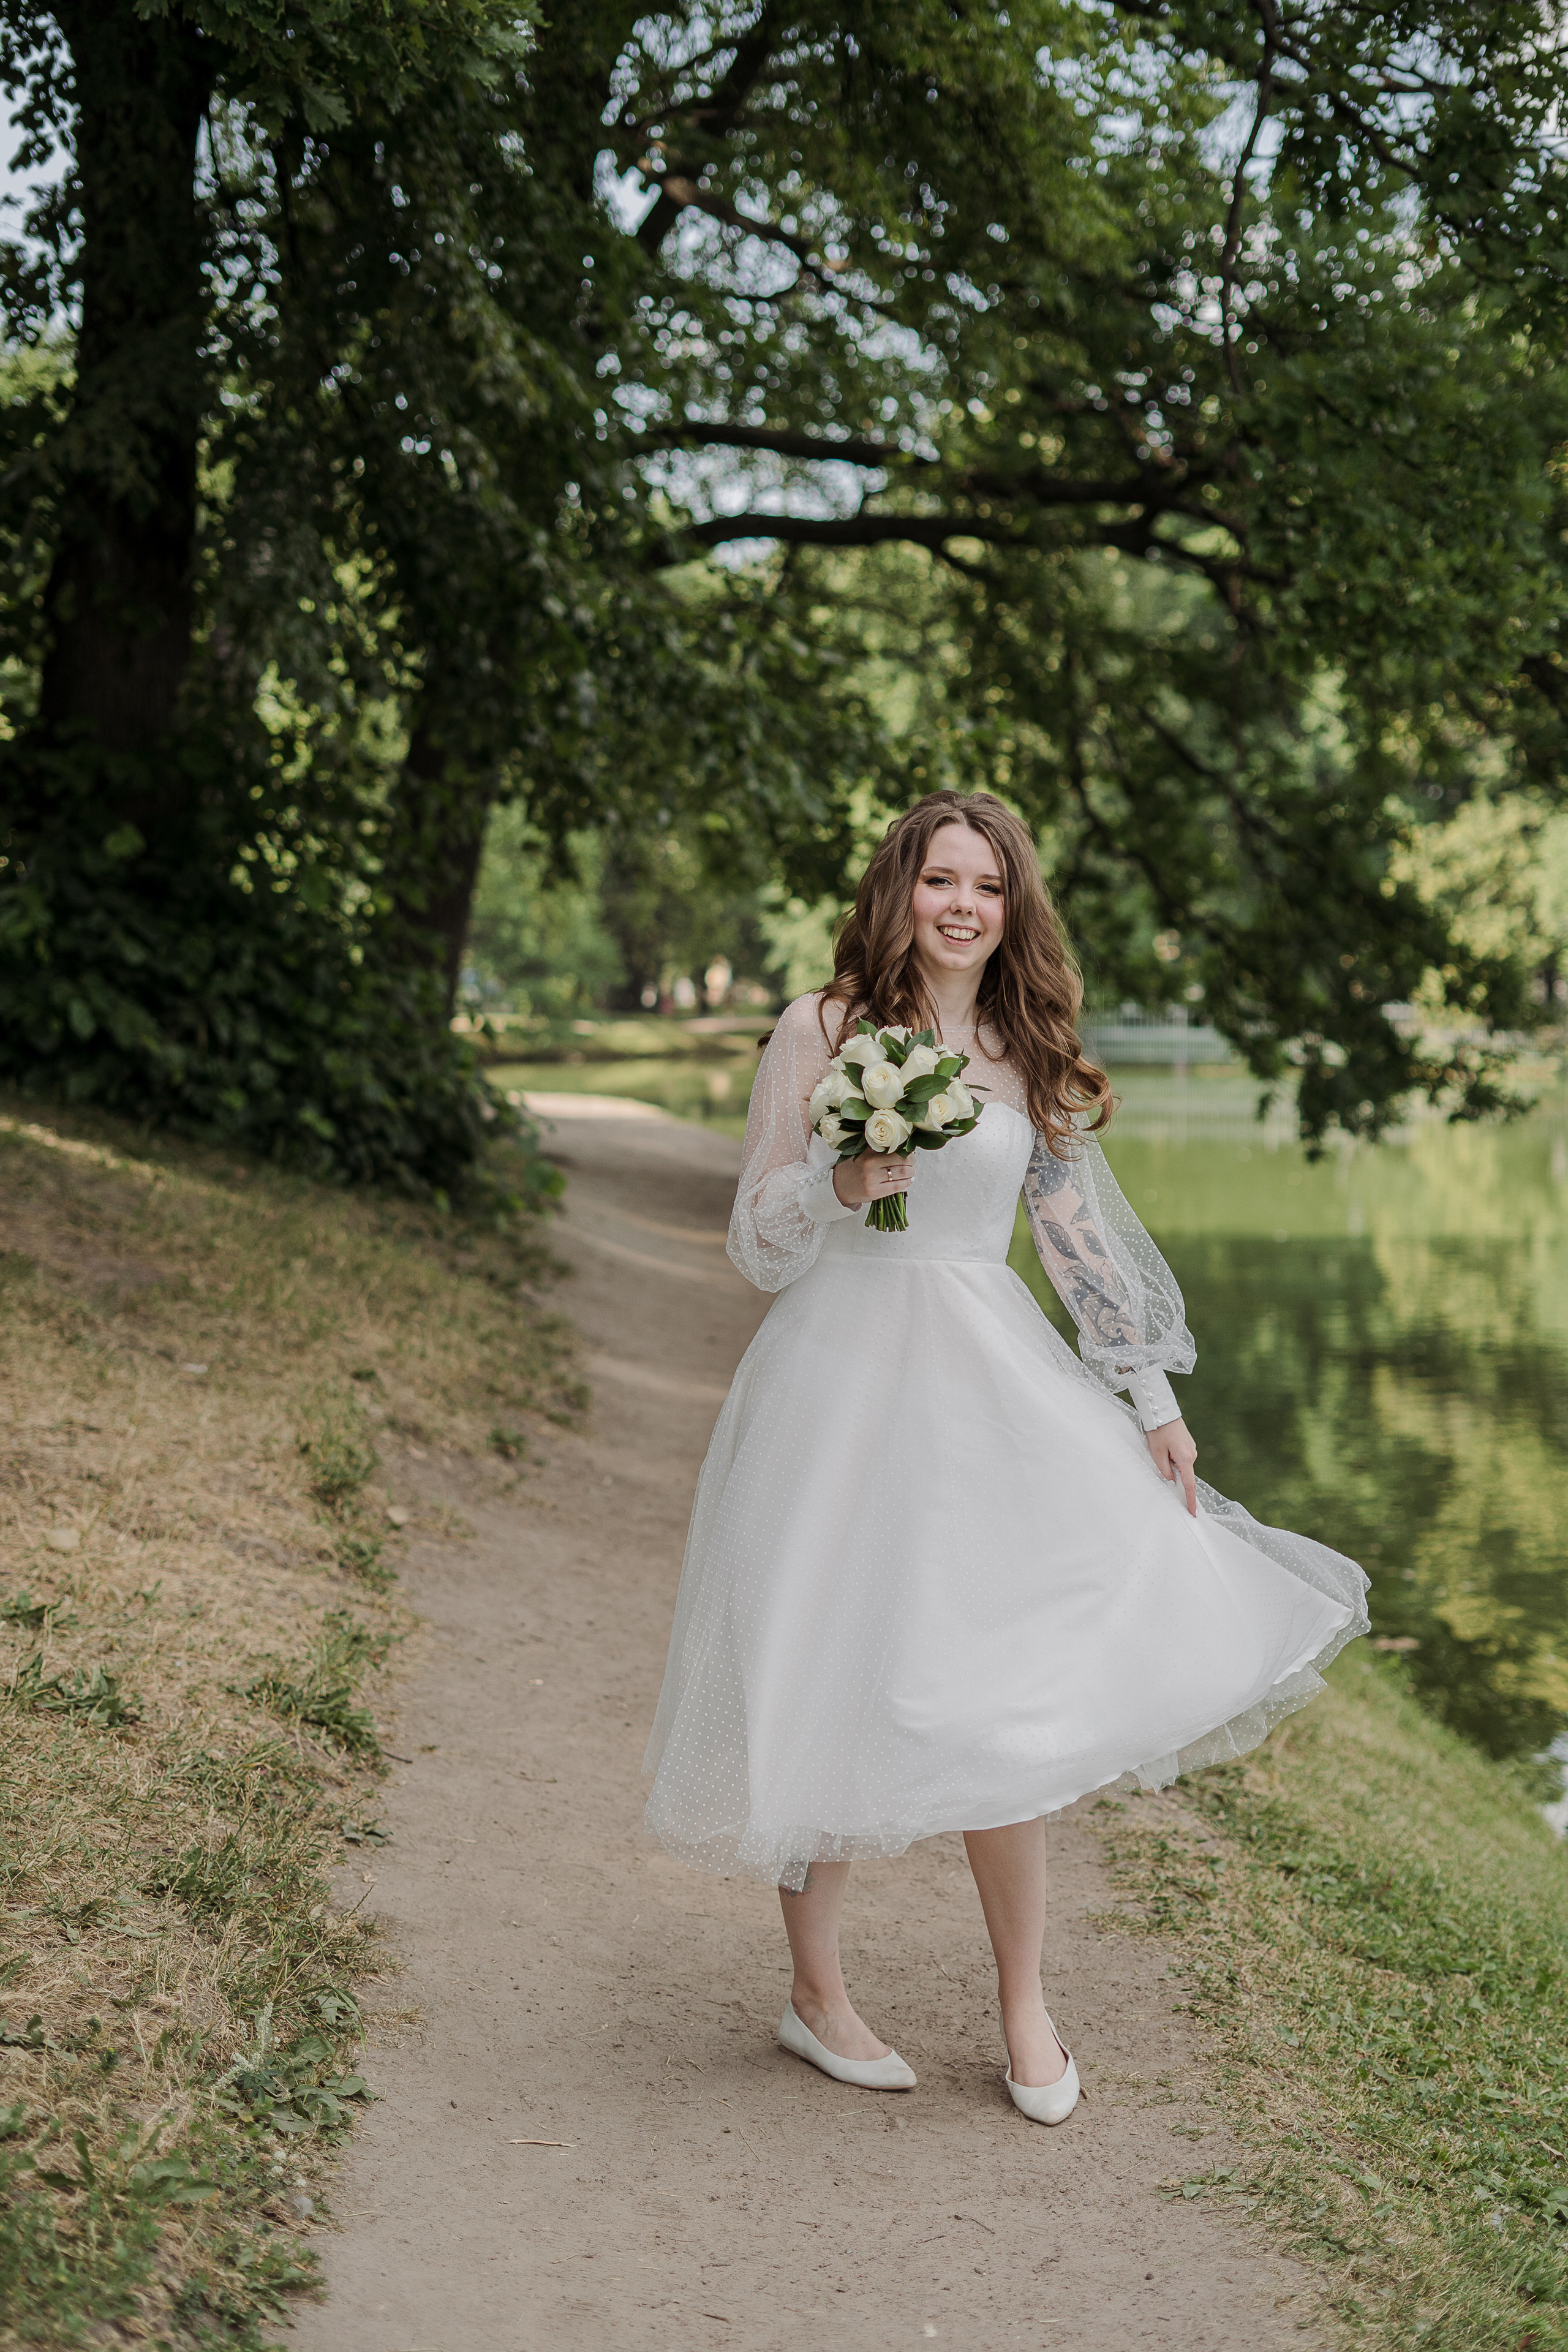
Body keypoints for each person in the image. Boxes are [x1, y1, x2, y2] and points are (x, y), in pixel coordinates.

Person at [644, 791, 1366, 2127]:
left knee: (1002, 1686)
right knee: (821, 1656)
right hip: (833, 1379)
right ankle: (816, 1996)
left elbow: (1076, 1240)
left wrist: (1149, 1395)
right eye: (937, 880)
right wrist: (837, 1182)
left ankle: (1023, 2002)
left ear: (1011, 906)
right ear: (898, 891)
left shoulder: (1023, 1049)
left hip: (980, 1384)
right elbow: (756, 1240)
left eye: (984, 884)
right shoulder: (823, 1029)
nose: (961, 904)